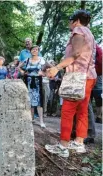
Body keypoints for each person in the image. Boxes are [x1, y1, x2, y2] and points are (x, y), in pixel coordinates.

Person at [45, 10, 97, 157]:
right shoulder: (90, 33)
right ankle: (79, 143)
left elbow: (76, 54)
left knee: (68, 110)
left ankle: (63, 146)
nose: (69, 23)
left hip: (77, 76)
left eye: (70, 20)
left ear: (76, 20)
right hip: (89, 76)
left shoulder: (79, 30)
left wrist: (56, 67)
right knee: (82, 110)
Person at [19, 45, 49, 128]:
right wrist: (22, 72)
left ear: (38, 51)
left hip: (37, 81)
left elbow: (49, 68)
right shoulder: (27, 60)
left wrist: (44, 74)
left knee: (39, 101)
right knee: (29, 100)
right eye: (33, 49)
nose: (34, 50)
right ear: (30, 51)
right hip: (28, 81)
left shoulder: (42, 60)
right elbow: (18, 67)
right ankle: (31, 119)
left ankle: (41, 121)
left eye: (36, 49)